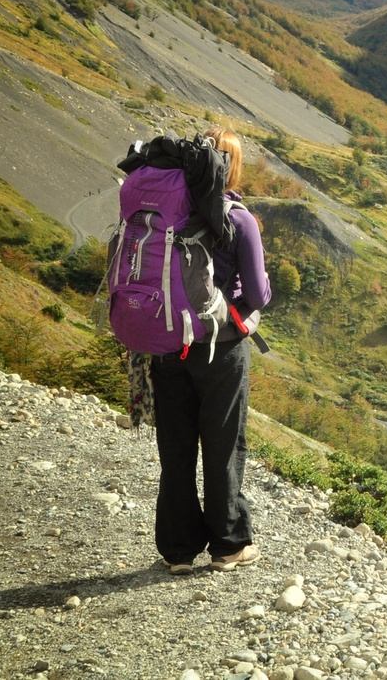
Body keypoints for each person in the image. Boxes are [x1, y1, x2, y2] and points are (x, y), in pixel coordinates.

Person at [151, 125, 271, 574]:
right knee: (222, 446)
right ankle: (228, 545)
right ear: (230, 167)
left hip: (168, 343)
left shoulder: (167, 211)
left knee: (176, 448)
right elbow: (258, 295)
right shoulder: (238, 219)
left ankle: (179, 551)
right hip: (220, 348)